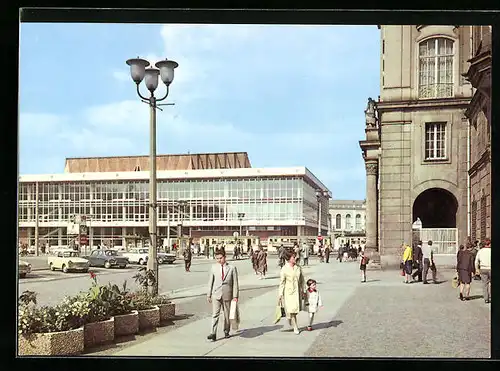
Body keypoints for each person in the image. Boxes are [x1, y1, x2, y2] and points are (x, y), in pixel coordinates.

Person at [207, 249, 239, 341]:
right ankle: (213, 333)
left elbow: (235, 283)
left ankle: (226, 331)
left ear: (225, 257)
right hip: (216, 294)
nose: (219, 260)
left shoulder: (232, 268)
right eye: (217, 258)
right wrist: (208, 294)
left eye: (220, 258)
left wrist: (235, 296)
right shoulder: (213, 267)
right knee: (215, 314)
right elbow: (210, 282)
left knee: (227, 315)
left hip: (227, 294)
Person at [278, 250, 305, 335]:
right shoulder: (284, 269)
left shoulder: (298, 267)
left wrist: (303, 290)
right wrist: (280, 294)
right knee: (293, 310)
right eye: (294, 257)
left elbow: (302, 280)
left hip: (297, 291)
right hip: (288, 292)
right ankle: (295, 327)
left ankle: (289, 317)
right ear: (289, 259)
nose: (296, 258)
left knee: (295, 310)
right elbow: (282, 282)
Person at [475, 238, 491, 304]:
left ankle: (486, 298)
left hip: (483, 268)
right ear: (489, 244)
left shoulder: (480, 251)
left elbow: (476, 261)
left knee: (485, 284)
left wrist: (477, 269)